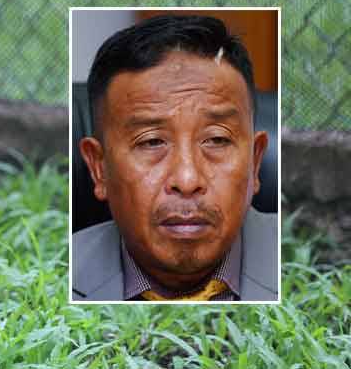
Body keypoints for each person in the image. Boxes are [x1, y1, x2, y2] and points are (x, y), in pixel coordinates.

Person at [72, 15, 278, 301]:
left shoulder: (307, 266)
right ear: (98, 168)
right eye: (152, 141)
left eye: (217, 140)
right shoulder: (57, 273)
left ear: (255, 162)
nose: (187, 179)